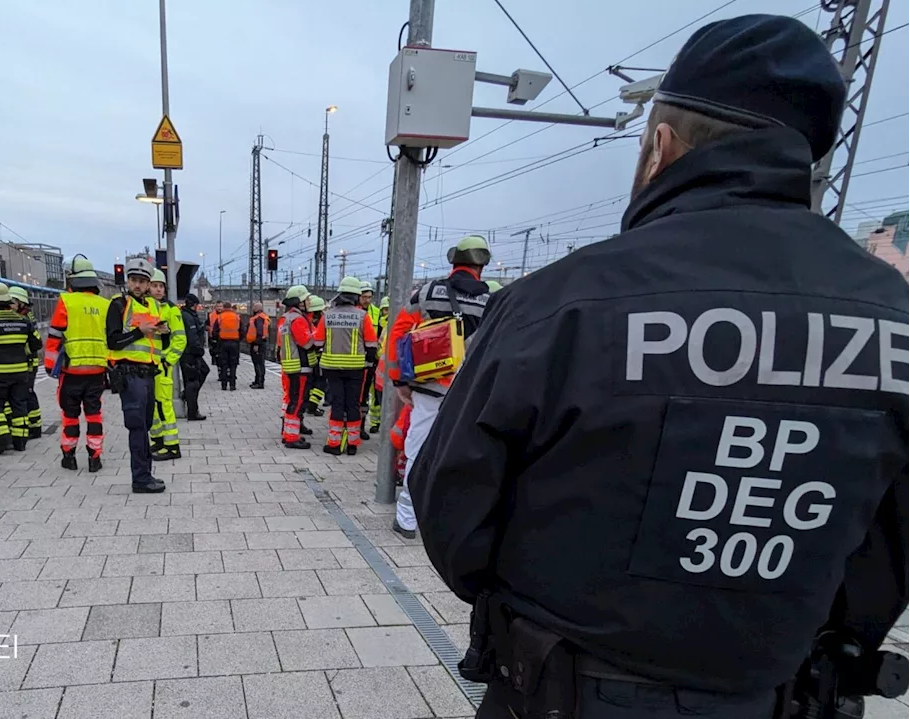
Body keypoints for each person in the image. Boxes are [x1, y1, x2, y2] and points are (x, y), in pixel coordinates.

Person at [413, 15, 910, 719]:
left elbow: (452, 507)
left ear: (660, 147)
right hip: (777, 693)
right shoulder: (896, 319)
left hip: (565, 691)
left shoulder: (561, 303)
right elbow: (890, 548)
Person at [387, 235, 492, 539]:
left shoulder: (428, 292)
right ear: (481, 268)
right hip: (469, 393)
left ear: (453, 262)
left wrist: (399, 380)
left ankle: (406, 519)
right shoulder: (491, 301)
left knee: (417, 449)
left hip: (429, 386)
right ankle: (448, 519)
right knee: (461, 454)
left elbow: (399, 333)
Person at [106, 258, 167, 493]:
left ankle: (146, 474)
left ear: (149, 284)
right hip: (130, 375)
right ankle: (140, 480)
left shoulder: (153, 307)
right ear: (128, 281)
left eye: (143, 281)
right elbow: (113, 341)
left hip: (148, 374)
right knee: (137, 427)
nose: (138, 285)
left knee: (146, 424)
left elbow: (156, 342)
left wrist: (164, 331)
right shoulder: (119, 305)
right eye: (134, 280)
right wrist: (138, 332)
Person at [46, 255, 111, 471]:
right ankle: (95, 458)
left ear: (73, 280)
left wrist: (49, 365)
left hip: (71, 370)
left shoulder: (67, 301)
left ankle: (69, 456)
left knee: (70, 415)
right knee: (94, 414)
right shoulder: (105, 305)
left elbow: (55, 335)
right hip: (97, 370)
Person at [313, 276, 378, 455]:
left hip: (331, 368)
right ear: (356, 296)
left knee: (337, 403)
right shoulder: (362, 316)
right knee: (353, 404)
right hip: (356, 368)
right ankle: (352, 444)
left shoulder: (328, 315)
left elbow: (317, 342)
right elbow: (372, 344)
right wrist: (368, 361)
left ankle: (334, 444)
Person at [0, 283, 41, 454]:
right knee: (19, 404)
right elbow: (37, 343)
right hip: (21, 371)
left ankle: (3, 435)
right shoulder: (23, 321)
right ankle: (20, 441)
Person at [148, 269, 187, 460]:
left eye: (160, 286)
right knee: (153, 405)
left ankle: (172, 447)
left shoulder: (171, 310)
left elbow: (180, 340)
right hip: (148, 364)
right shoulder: (145, 307)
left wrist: (167, 361)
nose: (157, 290)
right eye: (154, 286)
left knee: (164, 404)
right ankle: (158, 441)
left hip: (161, 365)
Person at [278, 285, 314, 450]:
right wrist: (318, 336)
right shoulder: (298, 319)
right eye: (306, 299)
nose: (309, 302)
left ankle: (288, 434)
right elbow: (306, 343)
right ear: (299, 302)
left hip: (290, 365)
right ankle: (292, 437)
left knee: (292, 400)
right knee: (297, 402)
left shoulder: (285, 318)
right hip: (300, 367)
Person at [8, 285, 44, 439]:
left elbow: (33, 342)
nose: (10, 306)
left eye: (12, 302)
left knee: (28, 393)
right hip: (26, 361)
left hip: (29, 361)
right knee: (26, 392)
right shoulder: (23, 317)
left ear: (21, 303)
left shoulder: (26, 319)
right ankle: (33, 424)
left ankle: (35, 427)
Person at [178, 294, 210, 421]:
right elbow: (192, 336)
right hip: (190, 353)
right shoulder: (188, 317)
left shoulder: (187, 315)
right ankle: (192, 411)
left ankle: (188, 399)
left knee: (202, 373)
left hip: (190, 352)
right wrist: (199, 350)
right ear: (193, 305)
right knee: (192, 382)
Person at [356, 281, 378, 440]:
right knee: (355, 396)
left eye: (369, 297)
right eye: (364, 297)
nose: (367, 300)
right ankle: (352, 427)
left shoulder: (376, 313)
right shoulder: (354, 313)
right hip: (355, 360)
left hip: (372, 360)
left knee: (365, 397)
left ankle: (361, 426)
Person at [304, 295, 328, 416]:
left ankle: (309, 403)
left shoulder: (306, 320)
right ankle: (312, 406)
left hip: (310, 356)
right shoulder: (322, 321)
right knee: (321, 382)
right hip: (321, 355)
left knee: (311, 381)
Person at [214, 302, 242, 390]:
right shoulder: (237, 317)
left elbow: (215, 331)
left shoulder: (220, 317)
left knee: (224, 364)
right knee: (233, 364)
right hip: (234, 343)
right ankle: (233, 385)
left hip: (223, 343)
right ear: (230, 308)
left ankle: (224, 385)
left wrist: (217, 340)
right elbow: (242, 330)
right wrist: (238, 340)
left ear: (223, 308)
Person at [245, 302, 270, 389]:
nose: (252, 308)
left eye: (254, 307)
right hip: (260, 343)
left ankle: (259, 382)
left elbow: (259, 332)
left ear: (257, 308)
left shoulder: (258, 319)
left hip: (258, 343)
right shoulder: (263, 317)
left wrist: (256, 344)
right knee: (259, 362)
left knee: (258, 363)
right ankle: (257, 380)